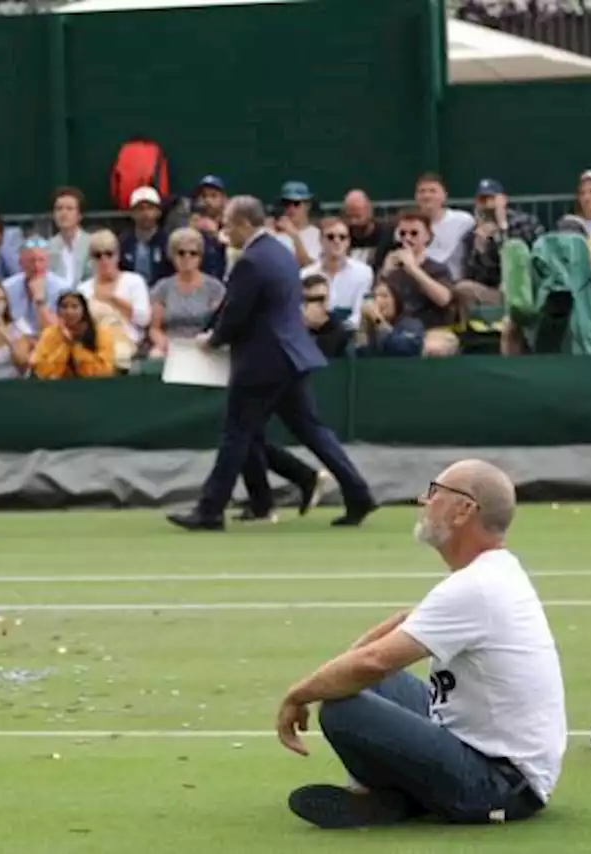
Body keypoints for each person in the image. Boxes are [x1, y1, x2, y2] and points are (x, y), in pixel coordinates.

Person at [276, 459, 566, 829]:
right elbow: (392, 634)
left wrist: (297, 695)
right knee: (366, 682)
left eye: (434, 493)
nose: (422, 500)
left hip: (499, 785)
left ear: (464, 510)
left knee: (341, 708)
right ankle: (392, 796)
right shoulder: (489, 574)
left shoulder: (477, 586)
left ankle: (392, 795)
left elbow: (373, 661)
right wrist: (333, 674)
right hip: (490, 762)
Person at [167, 196, 377, 531]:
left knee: (236, 434)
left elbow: (236, 312)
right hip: (290, 356)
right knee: (312, 431)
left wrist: (212, 339)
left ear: (245, 224)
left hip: (263, 361)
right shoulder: (280, 252)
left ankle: (210, 510)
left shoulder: (251, 261)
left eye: (229, 223)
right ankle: (357, 492)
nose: (225, 230)